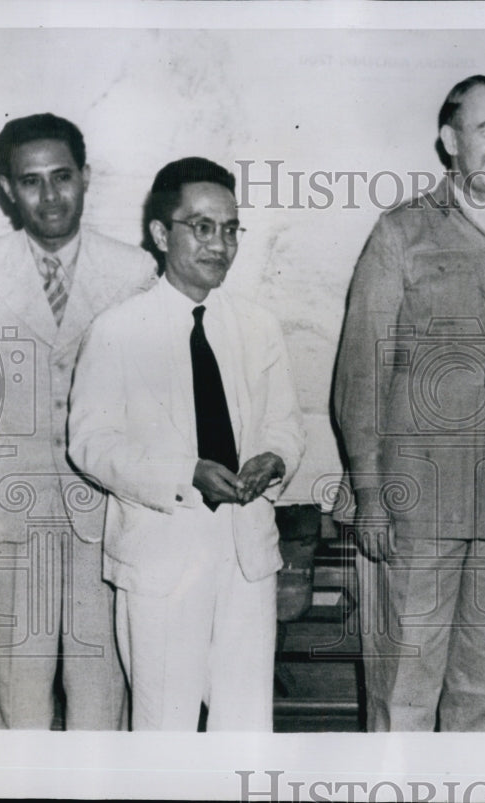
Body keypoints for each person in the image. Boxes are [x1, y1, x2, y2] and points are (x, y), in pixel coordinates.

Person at [333, 75, 485, 731]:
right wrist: (370, 492)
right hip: (418, 497)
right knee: (404, 682)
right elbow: (362, 370)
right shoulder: (402, 233)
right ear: (450, 141)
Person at [68, 157, 305, 730]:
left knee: (245, 725)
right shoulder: (118, 329)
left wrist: (273, 459)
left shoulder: (257, 326)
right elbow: (92, 444)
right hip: (162, 558)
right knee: (163, 729)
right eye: (202, 227)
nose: (219, 244)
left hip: (245, 556)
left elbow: (285, 425)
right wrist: (185, 472)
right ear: (159, 233)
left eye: (230, 229)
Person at [0, 113, 157, 730]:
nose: (50, 195)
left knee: (100, 693)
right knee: (18, 692)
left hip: (104, 515)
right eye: (31, 182)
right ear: (7, 189)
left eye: (62, 177)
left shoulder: (135, 273)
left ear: (85, 178)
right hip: (11, 516)